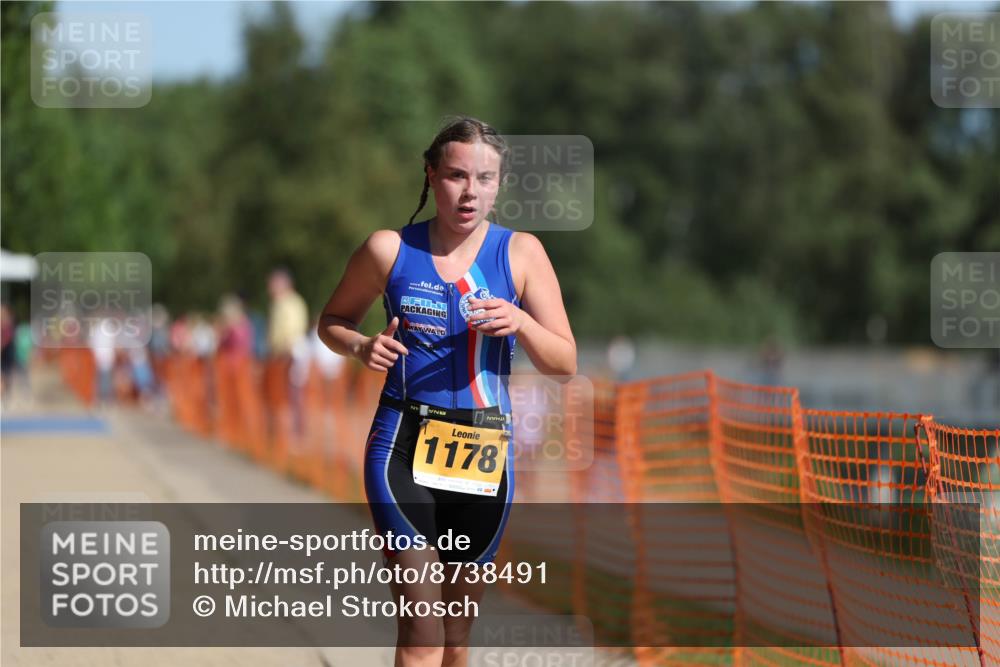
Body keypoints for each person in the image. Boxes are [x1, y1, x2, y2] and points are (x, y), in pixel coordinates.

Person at [318, 116, 576, 667]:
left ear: (500, 184)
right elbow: (332, 321)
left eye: (485, 178)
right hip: (402, 446)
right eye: (457, 175)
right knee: (423, 633)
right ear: (431, 174)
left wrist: (521, 323)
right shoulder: (389, 250)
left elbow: (565, 362)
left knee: (457, 637)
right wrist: (361, 348)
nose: (470, 191)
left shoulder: (521, 254)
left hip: (484, 455)